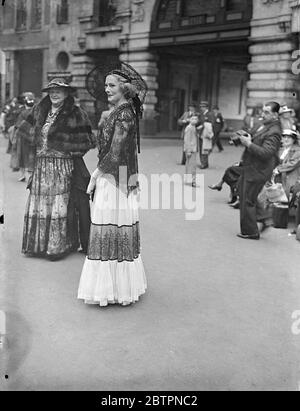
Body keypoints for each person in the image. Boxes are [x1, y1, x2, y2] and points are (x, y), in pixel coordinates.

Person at [78, 63, 148, 307]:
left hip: (115, 178)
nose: (106, 89)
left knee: (111, 224)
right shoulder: (117, 112)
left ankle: (116, 289)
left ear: (124, 88)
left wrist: (95, 176)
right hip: (116, 176)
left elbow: (116, 153)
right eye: (105, 85)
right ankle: (115, 287)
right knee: (113, 226)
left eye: (111, 85)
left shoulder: (125, 114)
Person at [22, 78, 94, 261]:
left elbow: (87, 140)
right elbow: (23, 130)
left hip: (62, 166)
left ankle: (57, 247)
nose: (54, 94)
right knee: (41, 205)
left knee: (58, 206)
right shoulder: (40, 110)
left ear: (66, 93)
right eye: (51, 91)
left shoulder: (75, 113)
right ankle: (37, 246)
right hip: (41, 166)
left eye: (59, 91)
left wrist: (68, 150)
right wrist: (36, 148)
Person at [236, 101, 282, 240]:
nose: (263, 114)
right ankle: (265, 218)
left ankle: (251, 232)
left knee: (247, 200)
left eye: (267, 112)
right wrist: (241, 137)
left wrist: (248, 144)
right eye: (263, 111)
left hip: (259, 169)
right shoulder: (263, 124)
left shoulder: (275, 131)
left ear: (275, 114)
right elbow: (252, 136)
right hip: (251, 166)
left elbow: (266, 153)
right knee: (244, 193)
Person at [273, 129, 300, 234]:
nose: (286, 139)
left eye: (289, 137)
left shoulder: (297, 151)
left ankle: (278, 217)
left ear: (294, 140)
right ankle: (267, 215)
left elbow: (293, 164)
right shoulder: (280, 149)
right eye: (284, 137)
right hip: (279, 175)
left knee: (283, 189)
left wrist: (278, 169)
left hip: (291, 176)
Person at [14, 92, 36, 182]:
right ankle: (32, 175)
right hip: (33, 137)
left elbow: (18, 125)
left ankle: (23, 175)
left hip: (23, 137)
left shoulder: (22, 112)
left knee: (22, 155)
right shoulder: (37, 113)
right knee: (32, 155)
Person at [197, 101, 214, 169]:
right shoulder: (201, 114)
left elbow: (211, 124)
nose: (201, 108)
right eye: (201, 106)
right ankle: (203, 163)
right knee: (201, 149)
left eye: (203, 107)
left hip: (206, 134)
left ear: (206, 107)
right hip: (201, 134)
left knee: (205, 149)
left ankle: (204, 164)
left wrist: (203, 125)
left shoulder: (210, 114)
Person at [183, 115, 198, 187]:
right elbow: (187, 140)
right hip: (191, 149)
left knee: (190, 164)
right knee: (192, 165)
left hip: (192, 149)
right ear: (189, 120)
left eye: (196, 119)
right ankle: (192, 180)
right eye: (193, 119)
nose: (194, 120)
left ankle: (189, 179)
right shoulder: (189, 128)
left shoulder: (193, 127)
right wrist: (188, 150)